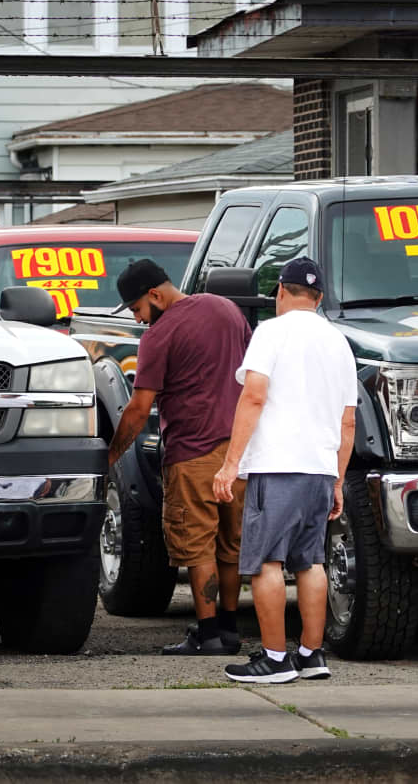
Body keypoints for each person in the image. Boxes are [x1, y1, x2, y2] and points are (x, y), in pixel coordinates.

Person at [212, 257, 357, 684]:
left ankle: (275, 659)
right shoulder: (339, 342)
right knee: (311, 562)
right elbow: (348, 420)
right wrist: (336, 478)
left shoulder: (271, 332)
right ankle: (312, 655)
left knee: (265, 564)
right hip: (318, 469)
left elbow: (254, 396)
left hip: (277, 467)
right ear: (320, 297)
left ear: (280, 291)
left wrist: (231, 463)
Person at [108, 258, 252, 655]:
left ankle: (206, 635)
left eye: (137, 309)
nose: (138, 319)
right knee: (230, 544)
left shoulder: (160, 335)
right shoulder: (227, 309)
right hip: (239, 453)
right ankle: (228, 630)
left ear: (155, 295)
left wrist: (111, 456)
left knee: (197, 545)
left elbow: (139, 408)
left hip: (192, 454)